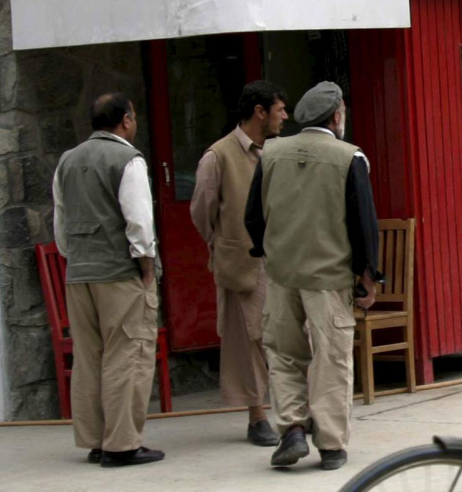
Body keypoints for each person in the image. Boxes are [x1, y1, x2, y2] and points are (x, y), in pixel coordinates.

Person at [244, 81, 381, 471]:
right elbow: (363, 224)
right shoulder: (350, 157)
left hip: (282, 272)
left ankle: (291, 430)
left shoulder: (271, 153)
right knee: (331, 358)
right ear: (336, 116)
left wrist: (267, 251)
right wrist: (367, 274)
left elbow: (253, 215)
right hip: (330, 277)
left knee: (283, 354)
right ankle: (332, 446)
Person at [53, 92, 165, 468]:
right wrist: (147, 268)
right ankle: (122, 444)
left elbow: (61, 221)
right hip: (119, 273)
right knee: (128, 355)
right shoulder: (128, 159)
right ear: (126, 120)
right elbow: (139, 221)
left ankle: (96, 440)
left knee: (89, 358)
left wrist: (75, 258)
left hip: (79, 273)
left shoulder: (67, 161)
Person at [190, 80, 288, 446]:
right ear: (259, 112)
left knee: (283, 334)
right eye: (279, 109)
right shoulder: (218, 156)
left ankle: (291, 410)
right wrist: (223, 243)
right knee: (247, 339)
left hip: (280, 261)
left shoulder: (276, 152)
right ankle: (257, 415)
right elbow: (201, 210)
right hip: (242, 263)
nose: (285, 117)